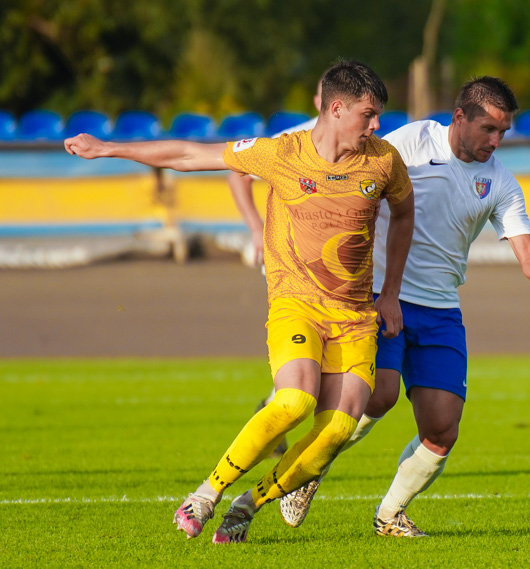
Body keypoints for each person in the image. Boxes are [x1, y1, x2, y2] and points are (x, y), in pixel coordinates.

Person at [64, 60, 415, 544]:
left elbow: (404, 214)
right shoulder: (280, 153)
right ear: (337, 108)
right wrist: (109, 148)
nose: (376, 125)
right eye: (369, 114)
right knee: (294, 399)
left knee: (338, 428)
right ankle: (206, 494)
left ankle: (249, 505)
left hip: (354, 315)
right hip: (297, 303)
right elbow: (190, 153)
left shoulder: (383, 160)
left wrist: (391, 292)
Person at [272, 76, 530, 537]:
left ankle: (389, 516)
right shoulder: (412, 141)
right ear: (459, 117)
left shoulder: (501, 181)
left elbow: (524, 242)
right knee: (380, 394)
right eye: (488, 128)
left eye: (503, 132)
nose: (495, 140)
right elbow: (355, 173)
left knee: (442, 427)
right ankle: (306, 470)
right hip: (382, 294)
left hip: (441, 309)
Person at [232, 78, 322, 458]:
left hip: (334, 268)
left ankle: (273, 406)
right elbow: (237, 171)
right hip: (288, 261)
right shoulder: (291, 140)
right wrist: (256, 228)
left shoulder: (363, 147)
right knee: (309, 352)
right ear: (323, 101)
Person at [229, 78, 322, 268]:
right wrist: (256, 229)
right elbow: (238, 176)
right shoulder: (289, 141)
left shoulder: (366, 143)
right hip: (288, 265)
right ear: (317, 102)